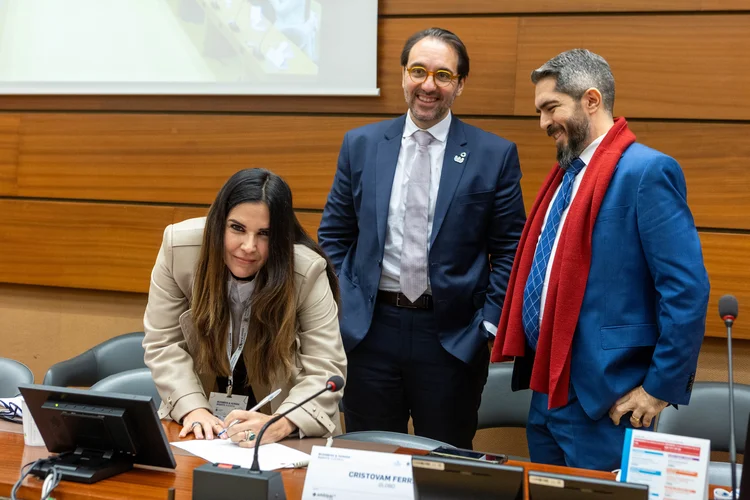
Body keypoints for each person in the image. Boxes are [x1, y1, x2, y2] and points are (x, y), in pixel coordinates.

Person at [490, 49, 710, 470]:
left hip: (609, 399)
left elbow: (686, 289)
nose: (543, 123)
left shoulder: (647, 172)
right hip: (546, 389)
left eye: (551, 108)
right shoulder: (565, 177)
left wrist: (658, 388)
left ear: (591, 100)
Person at [318, 27, 526, 449]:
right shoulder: (361, 144)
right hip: (370, 333)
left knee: (446, 469)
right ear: (403, 76)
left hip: (451, 339)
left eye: (443, 75)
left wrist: (485, 325)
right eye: (418, 71)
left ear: (460, 84)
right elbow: (334, 235)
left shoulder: (493, 154)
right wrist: (350, 304)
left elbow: (510, 250)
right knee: (366, 460)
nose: (428, 85)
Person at [143, 168, 346, 446]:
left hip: (283, 423)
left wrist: (282, 423)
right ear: (218, 223)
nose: (249, 246)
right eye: (237, 228)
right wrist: (192, 407)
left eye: (264, 234)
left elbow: (326, 369)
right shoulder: (179, 249)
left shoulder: (306, 270)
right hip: (201, 419)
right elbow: (163, 343)